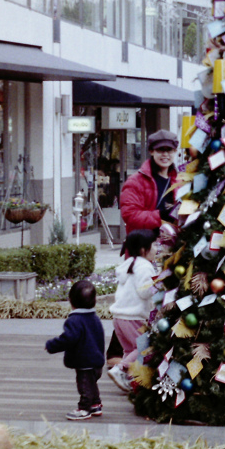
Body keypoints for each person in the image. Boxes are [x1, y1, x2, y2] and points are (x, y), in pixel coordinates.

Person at [45, 279, 105, 420]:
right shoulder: (94, 318)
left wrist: (52, 345)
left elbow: (69, 338)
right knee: (91, 384)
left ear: (71, 301)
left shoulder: (75, 320)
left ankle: (84, 408)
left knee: (84, 386)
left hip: (84, 361)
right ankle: (96, 404)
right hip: (96, 359)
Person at [108, 228, 159, 392]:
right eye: (155, 245)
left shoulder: (127, 264)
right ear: (144, 249)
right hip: (134, 317)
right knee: (146, 347)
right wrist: (158, 285)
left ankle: (130, 379)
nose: (157, 249)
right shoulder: (145, 267)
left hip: (119, 317)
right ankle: (120, 369)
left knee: (130, 350)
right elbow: (144, 292)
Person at [120, 129, 179, 236]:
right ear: (151, 151)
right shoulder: (135, 181)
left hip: (172, 247)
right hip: (144, 248)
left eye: (169, 150)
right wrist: (161, 215)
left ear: (175, 151)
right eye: (160, 150)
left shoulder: (180, 181)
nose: (165, 154)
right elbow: (129, 215)